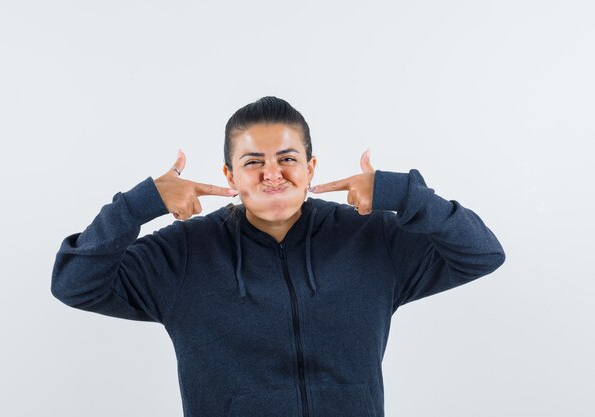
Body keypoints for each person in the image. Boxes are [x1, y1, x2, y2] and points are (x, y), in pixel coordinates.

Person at [51, 96, 506, 417]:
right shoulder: (183, 253)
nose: (273, 174)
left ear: (311, 168)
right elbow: (75, 283)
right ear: (229, 174)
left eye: (288, 158)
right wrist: (140, 204)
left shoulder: (371, 240)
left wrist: (403, 194)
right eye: (253, 162)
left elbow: (481, 253)